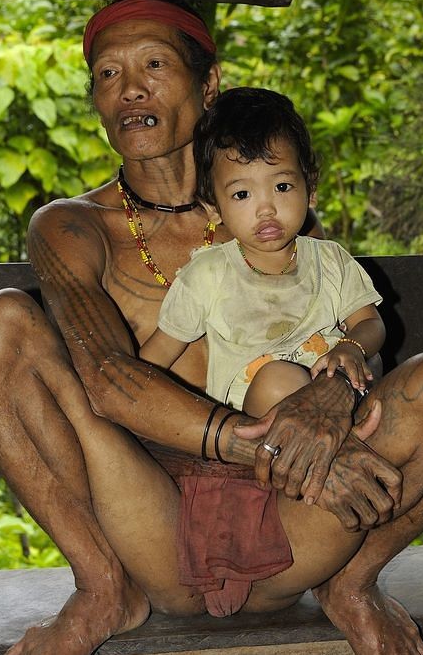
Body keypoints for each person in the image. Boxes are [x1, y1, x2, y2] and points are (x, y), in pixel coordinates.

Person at [0, 0, 423, 655]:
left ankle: (351, 584)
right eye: (108, 75)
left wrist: (332, 399)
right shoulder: (71, 226)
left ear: (206, 87)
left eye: (153, 65)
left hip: (298, 520)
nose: (130, 89)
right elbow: (109, 382)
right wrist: (274, 445)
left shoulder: (263, 201)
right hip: (148, 523)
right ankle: (100, 587)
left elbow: (337, 329)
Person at [140, 86, 385, 422]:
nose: (266, 209)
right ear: (213, 208)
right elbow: (151, 363)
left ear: (309, 189)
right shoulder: (209, 274)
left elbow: (370, 323)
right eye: (242, 194)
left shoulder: (330, 259)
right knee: (278, 380)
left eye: (282, 187)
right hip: (260, 423)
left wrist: (351, 348)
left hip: (340, 401)